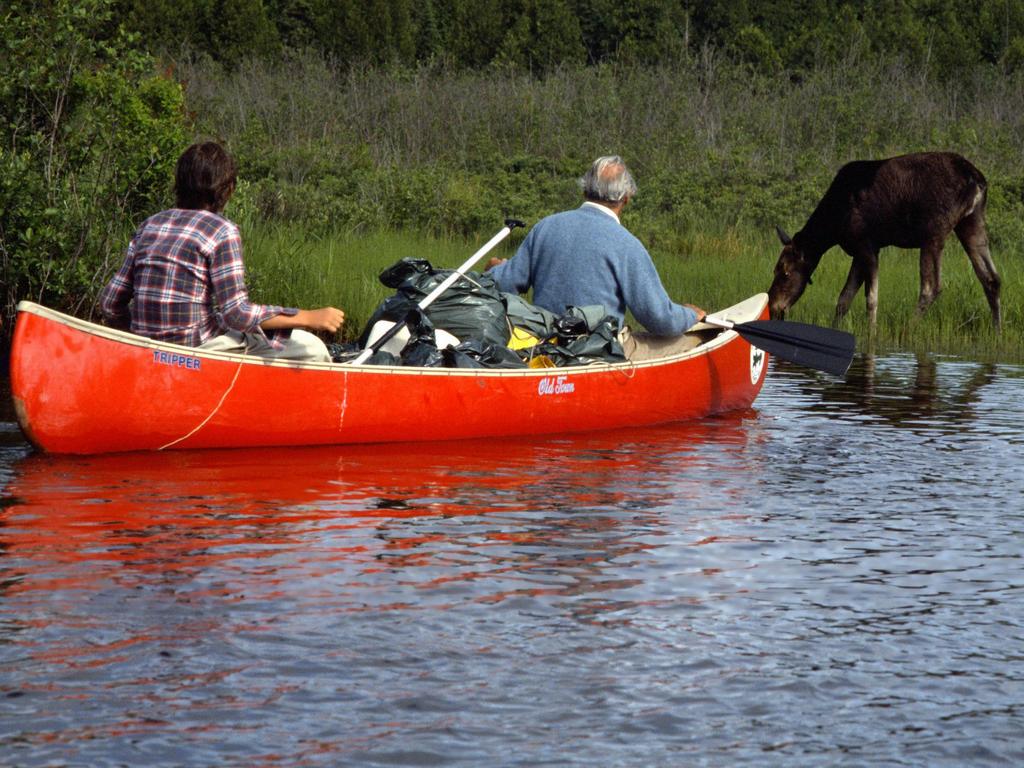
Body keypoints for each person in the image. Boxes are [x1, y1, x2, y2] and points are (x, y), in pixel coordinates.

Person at [99, 141, 344, 362]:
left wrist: (136, 337)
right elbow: (237, 313)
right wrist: (309, 316)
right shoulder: (221, 231)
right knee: (312, 348)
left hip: (147, 348)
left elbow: (111, 303)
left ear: (179, 184)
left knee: (220, 319)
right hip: (197, 349)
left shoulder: (150, 225)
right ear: (226, 189)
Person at [487, 155, 706, 360]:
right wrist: (690, 315)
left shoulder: (546, 227)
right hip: (599, 351)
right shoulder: (627, 244)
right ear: (626, 198)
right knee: (699, 339)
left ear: (585, 190)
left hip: (546, 346)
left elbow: (503, 283)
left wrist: (494, 268)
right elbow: (660, 319)